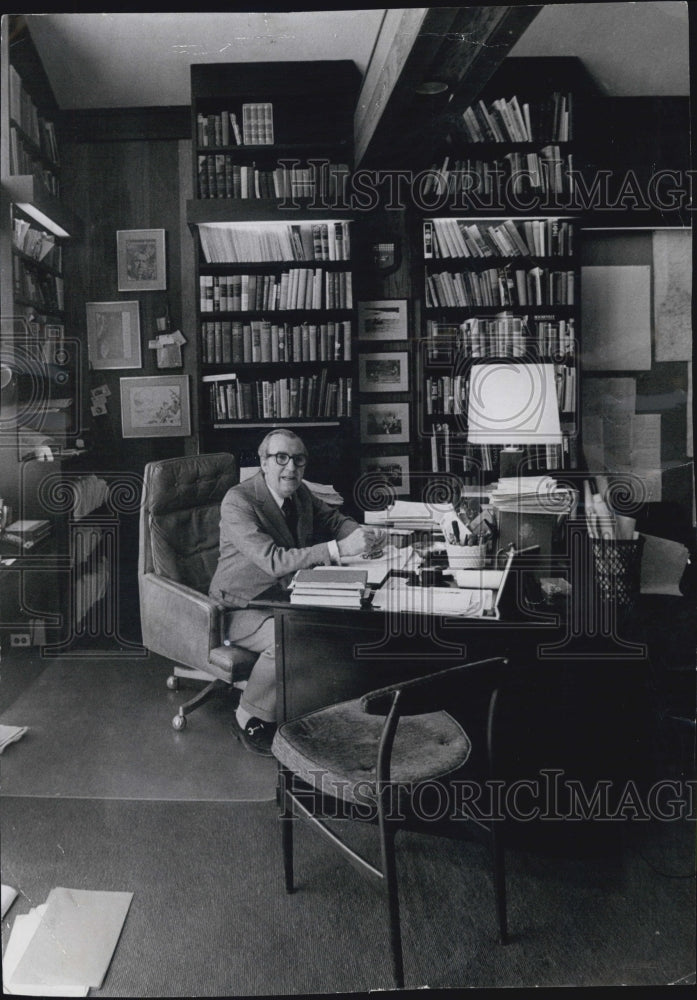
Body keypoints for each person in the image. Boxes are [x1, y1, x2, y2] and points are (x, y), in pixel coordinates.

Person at [209, 428, 385, 755]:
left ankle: (307, 710)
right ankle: (246, 714)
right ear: (263, 463)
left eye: (298, 460)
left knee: (338, 627)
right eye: (281, 458)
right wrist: (339, 548)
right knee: (294, 637)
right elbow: (274, 561)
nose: (291, 467)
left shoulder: (299, 492)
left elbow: (333, 519)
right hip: (241, 607)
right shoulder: (238, 500)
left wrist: (362, 534)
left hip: (286, 596)